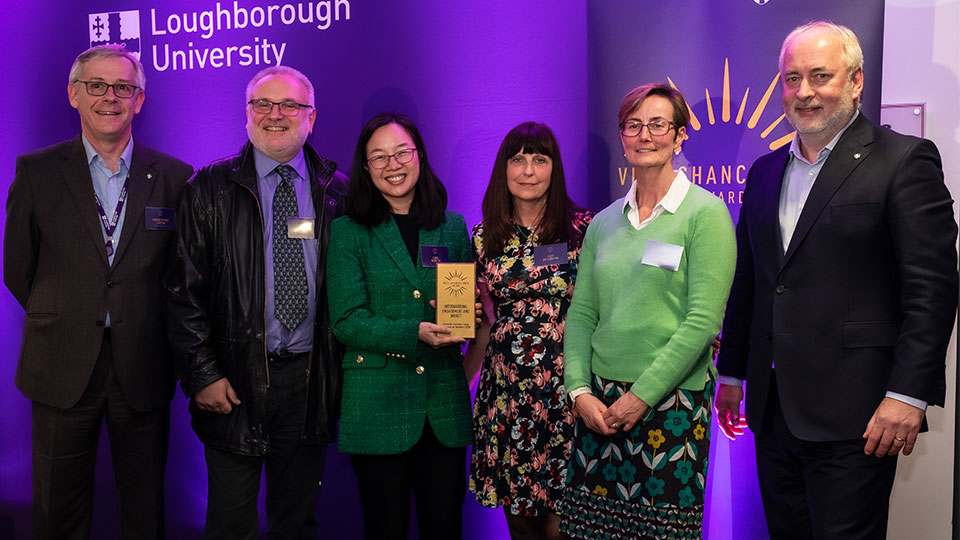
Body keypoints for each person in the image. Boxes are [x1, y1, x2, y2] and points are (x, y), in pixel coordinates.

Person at [715, 21, 958, 540]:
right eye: (791, 78)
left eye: (820, 76)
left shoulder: (904, 161)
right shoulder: (762, 173)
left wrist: (908, 396)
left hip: (861, 414)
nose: (804, 92)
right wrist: (732, 372)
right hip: (774, 409)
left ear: (855, 81)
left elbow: (932, 289)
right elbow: (752, 282)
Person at [3, 44, 192, 540]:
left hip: (144, 366)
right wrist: (70, 313)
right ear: (73, 94)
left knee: (145, 508)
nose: (110, 97)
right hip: (61, 365)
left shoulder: (175, 177)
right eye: (96, 86)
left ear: (140, 99)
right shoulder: (36, 171)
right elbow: (18, 270)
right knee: (56, 511)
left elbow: (181, 277)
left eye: (123, 87)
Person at [164, 65, 348, 539]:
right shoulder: (208, 187)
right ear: (246, 115)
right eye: (262, 104)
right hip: (233, 379)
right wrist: (203, 375)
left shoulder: (339, 192)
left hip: (311, 381)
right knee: (230, 523)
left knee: (296, 521)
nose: (275, 114)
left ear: (312, 117)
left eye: (290, 104)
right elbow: (182, 294)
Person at [558, 83, 736, 539]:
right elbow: (581, 315)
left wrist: (640, 398)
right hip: (599, 409)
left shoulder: (705, 215)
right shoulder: (602, 222)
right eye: (633, 125)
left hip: (671, 406)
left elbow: (703, 322)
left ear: (679, 136)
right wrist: (579, 392)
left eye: (658, 124)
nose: (645, 135)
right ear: (622, 136)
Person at [326, 112, 473, 540]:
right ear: (366, 168)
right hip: (376, 407)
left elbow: (458, 309)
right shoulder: (349, 231)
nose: (393, 164)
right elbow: (346, 320)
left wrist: (463, 319)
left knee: (445, 528)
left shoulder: (452, 225)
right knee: (384, 528)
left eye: (401, 152)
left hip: (441, 407)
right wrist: (416, 332)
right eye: (379, 157)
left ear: (420, 156)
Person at [466, 121, 593, 540]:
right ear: (503, 168)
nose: (527, 170)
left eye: (539, 159)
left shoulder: (582, 230)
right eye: (517, 159)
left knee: (564, 528)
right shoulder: (484, 236)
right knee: (521, 527)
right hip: (506, 398)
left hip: (566, 394)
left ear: (554, 168)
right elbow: (485, 319)